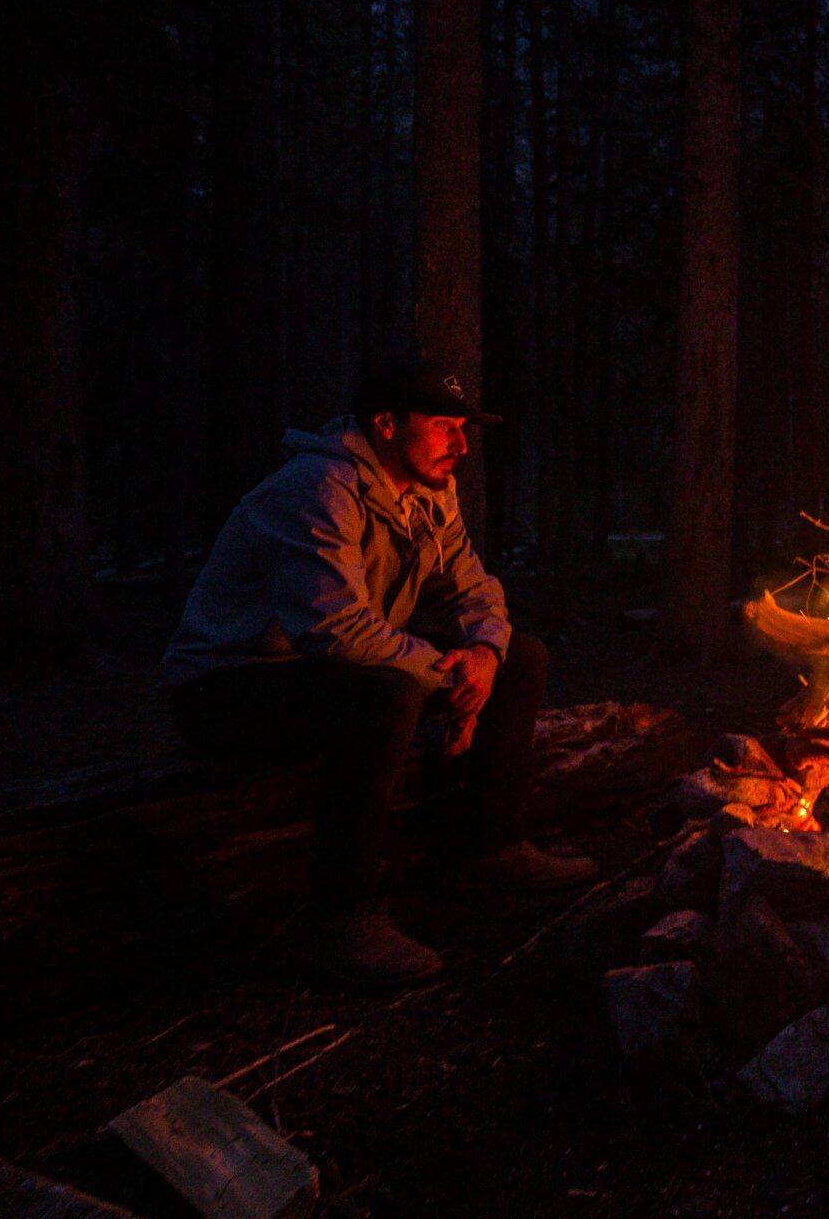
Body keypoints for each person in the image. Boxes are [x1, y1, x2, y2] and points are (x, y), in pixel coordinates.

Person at [164, 361, 595, 988]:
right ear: (386, 425)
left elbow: (476, 593)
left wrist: (482, 656)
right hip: (228, 686)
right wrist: (450, 681)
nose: (462, 444)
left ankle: (489, 849)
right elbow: (333, 628)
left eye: (463, 428)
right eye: (444, 426)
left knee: (520, 655)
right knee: (386, 694)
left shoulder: (428, 492)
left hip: (325, 672)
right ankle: (337, 918)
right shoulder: (319, 487)